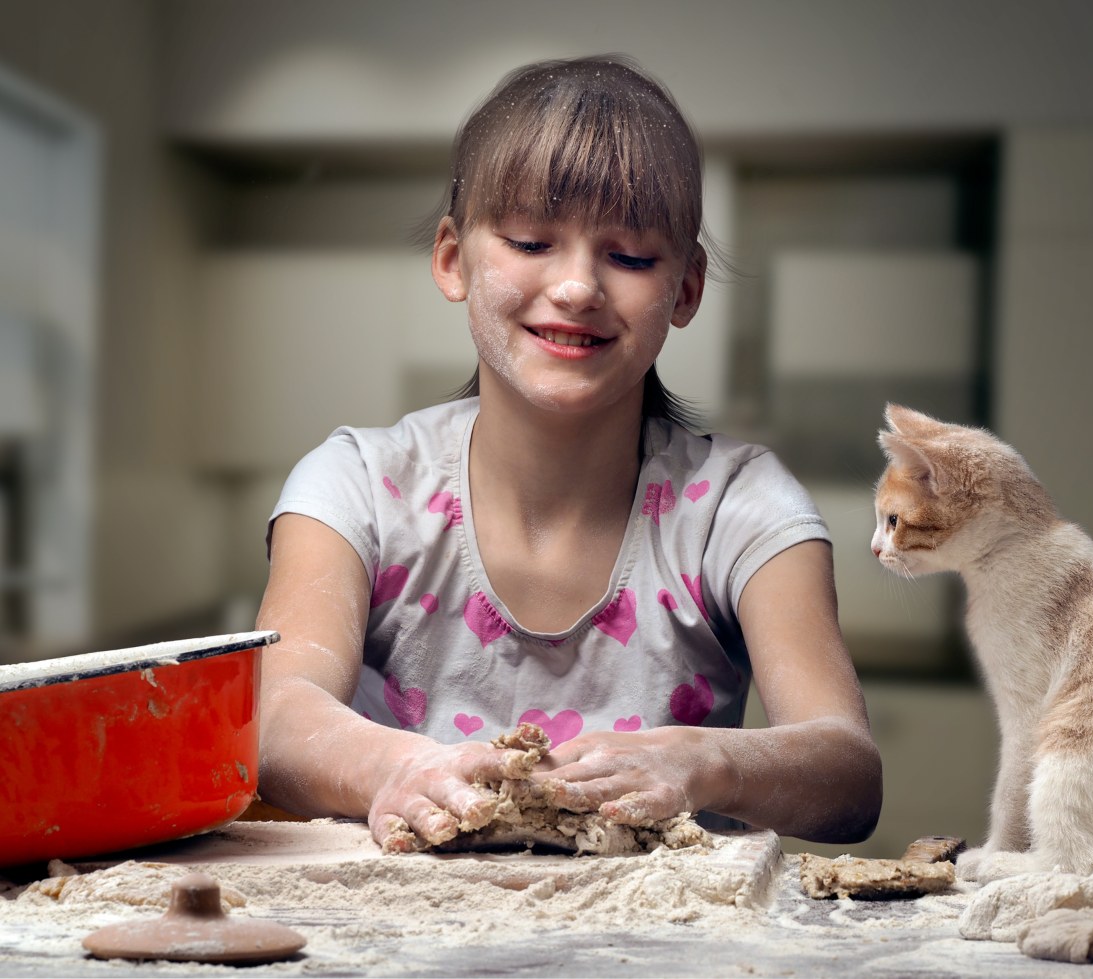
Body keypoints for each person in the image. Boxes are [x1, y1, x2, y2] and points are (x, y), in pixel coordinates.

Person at [255, 54, 881, 850]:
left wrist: (706, 760)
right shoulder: (358, 484)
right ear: (452, 259)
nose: (578, 286)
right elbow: (275, 713)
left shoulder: (738, 504)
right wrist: (394, 766)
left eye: (629, 257)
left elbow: (848, 770)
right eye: (529, 241)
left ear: (685, 288)